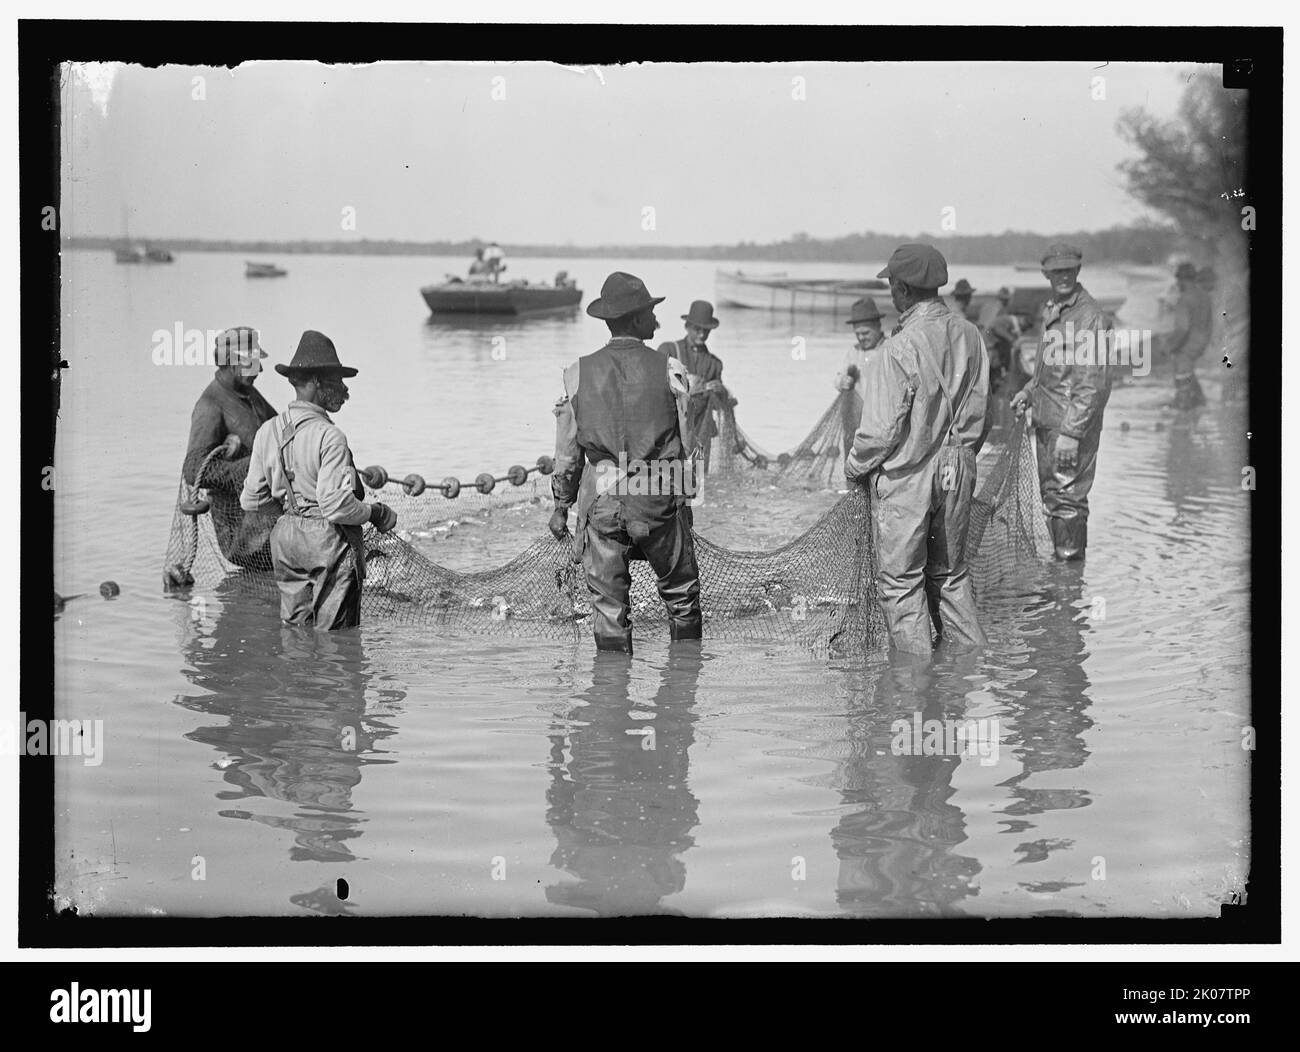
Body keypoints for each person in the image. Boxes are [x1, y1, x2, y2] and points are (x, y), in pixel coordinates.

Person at [846, 244, 990, 654]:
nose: (891, 293)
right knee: (951, 575)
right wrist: (957, 455)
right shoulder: (971, 335)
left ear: (903, 289)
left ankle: (915, 687)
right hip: (959, 467)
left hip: (910, 475)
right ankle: (967, 676)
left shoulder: (898, 347)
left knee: (901, 583)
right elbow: (983, 415)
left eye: (892, 284)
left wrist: (855, 467)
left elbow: (878, 433)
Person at [550, 272, 702, 654]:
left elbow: (567, 454)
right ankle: (684, 683)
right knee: (681, 598)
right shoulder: (671, 370)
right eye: (651, 312)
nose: (657, 320)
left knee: (608, 607)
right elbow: (689, 445)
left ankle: (611, 693)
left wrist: (560, 506)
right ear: (635, 319)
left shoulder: (576, 373)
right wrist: (686, 499)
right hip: (657, 496)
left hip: (602, 501)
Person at [240, 331, 398, 630]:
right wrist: (375, 513)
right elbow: (337, 506)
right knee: (336, 637)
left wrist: (292, 516)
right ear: (314, 381)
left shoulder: (268, 431)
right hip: (328, 541)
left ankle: (302, 676)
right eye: (336, 380)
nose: (343, 388)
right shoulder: (330, 436)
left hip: (285, 539)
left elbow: (252, 500)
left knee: (295, 631)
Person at [1010, 242, 1113, 561]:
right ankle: (1065, 577)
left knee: (1067, 499)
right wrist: (1029, 390)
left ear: (1078, 271)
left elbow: (1093, 383)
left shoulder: (1088, 316)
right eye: (1057, 271)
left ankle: (1068, 585)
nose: (1063, 277)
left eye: (1068, 270)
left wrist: (1071, 432)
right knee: (1055, 497)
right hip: (1048, 420)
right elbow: (1048, 366)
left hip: (1068, 426)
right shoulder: (1054, 308)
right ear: (1046, 274)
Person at [177, 326, 277, 571]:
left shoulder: (249, 394)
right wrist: (249, 467)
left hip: (265, 516)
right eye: (253, 362)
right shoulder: (210, 405)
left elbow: (279, 431)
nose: (260, 369)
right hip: (241, 534)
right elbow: (193, 470)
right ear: (233, 363)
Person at [658, 300, 734, 472]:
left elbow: (719, 406)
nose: (702, 334)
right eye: (697, 329)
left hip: (701, 434)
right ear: (687, 326)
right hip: (671, 433)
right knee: (667, 481)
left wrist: (720, 392)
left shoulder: (715, 364)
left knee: (697, 483)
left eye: (706, 331)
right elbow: (654, 389)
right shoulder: (669, 350)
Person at [835, 297, 886, 456]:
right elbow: (837, 378)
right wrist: (842, 381)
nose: (861, 338)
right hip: (854, 424)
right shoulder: (853, 352)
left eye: (865, 333)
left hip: (879, 423)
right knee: (851, 464)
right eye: (857, 334)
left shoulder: (888, 349)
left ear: (878, 326)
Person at [1160, 262, 1213, 409]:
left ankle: (1183, 410)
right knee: (1189, 372)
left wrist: (1169, 345)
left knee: (1181, 373)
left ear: (1181, 280)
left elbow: (1182, 329)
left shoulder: (1184, 299)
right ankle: (1200, 403)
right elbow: (1209, 323)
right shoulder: (1204, 296)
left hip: (1187, 344)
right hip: (1201, 341)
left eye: (1178, 280)